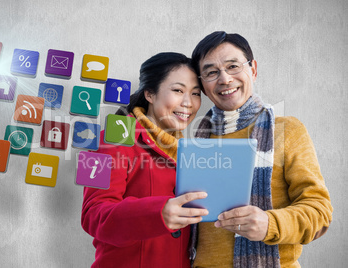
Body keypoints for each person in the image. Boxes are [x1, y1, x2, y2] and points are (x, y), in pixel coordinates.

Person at [189, 31, 333, 267]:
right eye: (212, 72)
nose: (224, 79)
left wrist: (270, 224)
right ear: (203, 85)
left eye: (233, 66)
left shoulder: (287, 130)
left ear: (253, 69)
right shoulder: (195, 139)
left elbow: (320, 214)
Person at [81, 52, 209, 268]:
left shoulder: (189, 152)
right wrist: (157, 213)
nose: (188, 103)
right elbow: (92, 215)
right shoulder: (109, 137)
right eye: (178, 90)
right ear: (150, 93)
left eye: (195, 94)